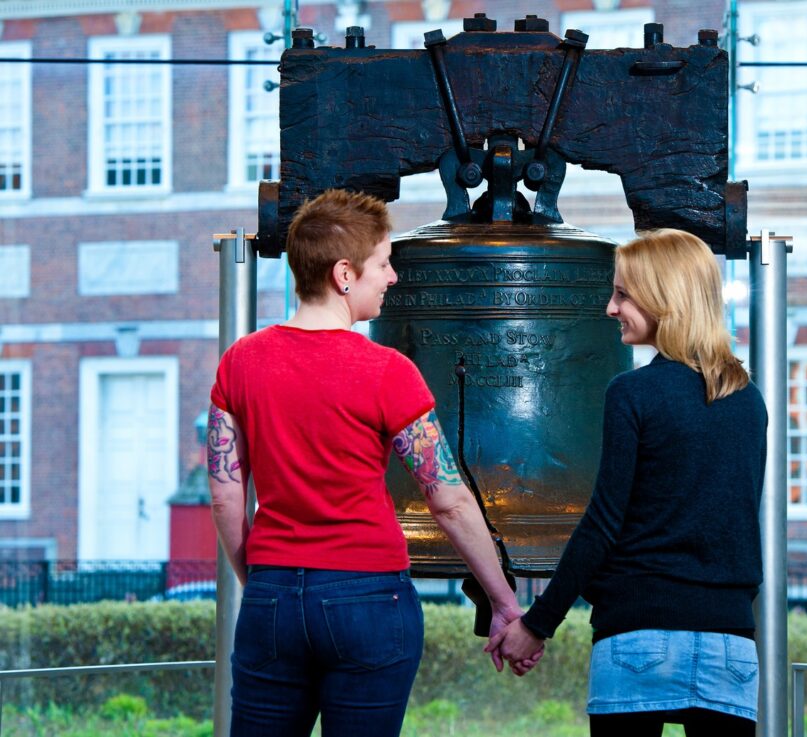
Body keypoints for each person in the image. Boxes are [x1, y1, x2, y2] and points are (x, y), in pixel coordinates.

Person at [207, 188, 523, 737]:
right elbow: (447, 498)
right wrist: (503, 602)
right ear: (344, 274)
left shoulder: (241, 361)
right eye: (384, 263)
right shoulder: (387, 371)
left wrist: (262, 580)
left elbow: (225, 494)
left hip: (272, 598)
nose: (393, 277)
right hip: (368, 598)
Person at [487, 229, 768, 737]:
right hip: (731, 644)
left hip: (639, 635)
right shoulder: (749, 400)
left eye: (623, 294)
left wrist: (537, 624)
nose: (611, 308)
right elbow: (733, 518)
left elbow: (602, 525)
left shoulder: (633, 394)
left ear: (665, 299)